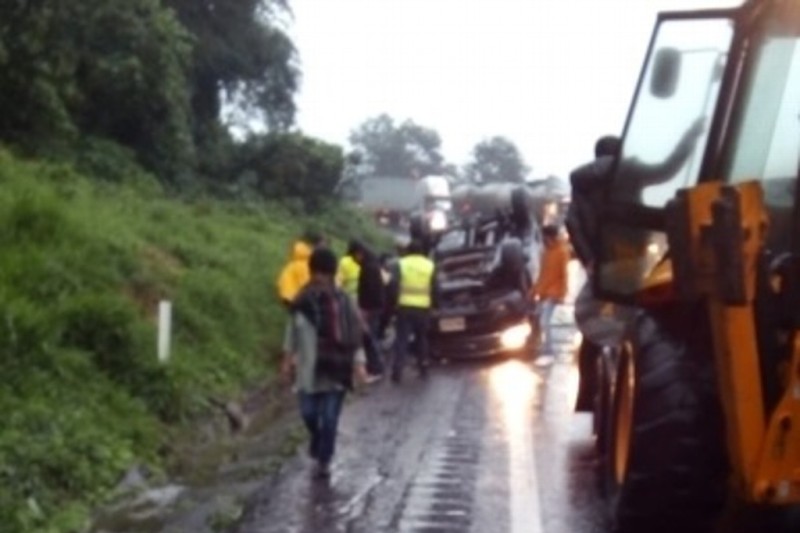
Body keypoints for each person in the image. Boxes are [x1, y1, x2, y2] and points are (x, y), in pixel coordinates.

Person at [280, 247, 367, 479]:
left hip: (337, 370)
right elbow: (291, 334)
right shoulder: (301, 303)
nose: (320, 280)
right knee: (309, 414)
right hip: (308, 372)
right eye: (317, 274)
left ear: (331, 275)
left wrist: (359, 364)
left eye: (324, 275)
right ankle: (317, 440)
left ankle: (324, 460)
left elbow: (356, 336)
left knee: (329, 419)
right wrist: (287, 361)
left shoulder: (345, 303)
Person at [392, 239, 436, 383]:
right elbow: (436, 288)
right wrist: (435, 305)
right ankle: (423, 366)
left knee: (401, 339)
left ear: (408, 251)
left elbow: (394, 285)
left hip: (404, 307)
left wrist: (393, 304)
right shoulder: (430, 265)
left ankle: (397, 371)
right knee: (422, 338)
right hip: (423, 308)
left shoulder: (401, 264)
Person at [532, 224, 570, 366]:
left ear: (550, 237)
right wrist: (534, 291)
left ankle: (549, 353)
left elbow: (564, 275)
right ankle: (545, 350)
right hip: (545, 293)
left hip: (553, 293)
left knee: (545, 322)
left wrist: (562, 294)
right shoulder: (546, 252)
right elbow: (542, 275)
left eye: (545, 237)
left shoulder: (561, 251)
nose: (543, 240)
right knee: (542, 321)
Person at [354, 244, 387, 380]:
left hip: (370, 308)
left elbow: (370, 291)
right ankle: (376, 366)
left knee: (369, 338)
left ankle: (376, 368)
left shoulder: (368, 268)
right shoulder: (373, 265)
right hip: (375, 307)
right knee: (371, 337)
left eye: (356, 255)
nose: (355, 259)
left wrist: (365, 309)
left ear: (360, 253)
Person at [276, 232, 323, 308]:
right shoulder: (307, 265)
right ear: (313, 246)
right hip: (295, 300)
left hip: (287, 295)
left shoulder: (296, 261)